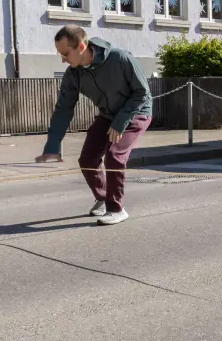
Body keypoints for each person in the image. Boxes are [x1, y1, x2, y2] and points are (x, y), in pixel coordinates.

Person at [36, 25, 153, 226]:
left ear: (81, 46)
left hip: (136, 113)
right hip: (108, 115)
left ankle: (116, 209)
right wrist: (53, 143)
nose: (62, 59)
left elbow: (142, 93)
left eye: (65, 53)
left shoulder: (120, 59)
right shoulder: (73, 74)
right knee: (87, 158)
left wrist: (120, 122)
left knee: (114, 154)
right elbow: (64, 108)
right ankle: (102, 197)